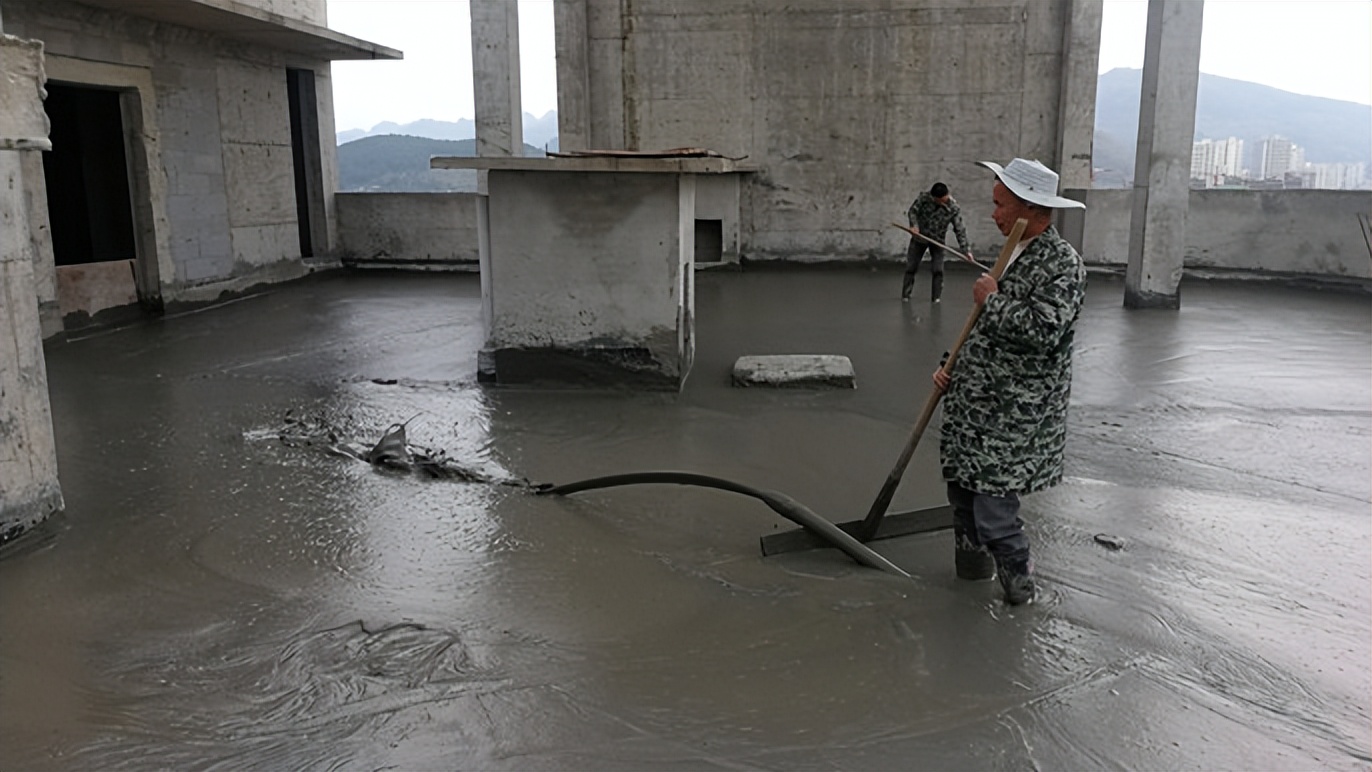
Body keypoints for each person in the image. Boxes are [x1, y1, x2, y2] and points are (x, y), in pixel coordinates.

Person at [931, 158, 1087, 605]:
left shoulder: (1063, 265)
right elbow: (981, 333)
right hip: (972, 407)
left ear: (1032, 208)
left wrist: (992, 300)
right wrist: (950, 367)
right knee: (962, 502)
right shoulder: (1012, 252)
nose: (993, 214)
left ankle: (1021, 593)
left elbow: (1042, 332)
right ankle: (969, 586)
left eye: (1001, 205)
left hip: (1011, 418)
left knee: (995, 514)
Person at [903, 181, 973, 303]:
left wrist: (966, 250)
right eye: (939, 201)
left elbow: (959, 229)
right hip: (920, 237)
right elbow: (912, 211)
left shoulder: (953, 207)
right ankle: (905, 295)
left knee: (938, 270)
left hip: (937, 241)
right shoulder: (924, 198)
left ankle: (936, 298)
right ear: (933, 197)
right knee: (911, 267)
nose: (942, 203)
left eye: (944, 200)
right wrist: (914, 226)